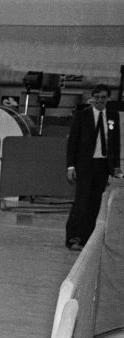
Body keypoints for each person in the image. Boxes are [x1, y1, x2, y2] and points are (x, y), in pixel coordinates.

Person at [64, 84, 122, 250]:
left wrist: (115, 166)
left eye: (103, 98)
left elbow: (115, 143)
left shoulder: (112, 117)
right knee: (81, 201)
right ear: (92, 98)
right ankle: (72, 237)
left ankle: (86, 238)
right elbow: (73, 142)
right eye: (97, 98)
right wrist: (70, 166)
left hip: (103, 166)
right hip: (85, 165)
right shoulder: (82, 116)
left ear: (108, 98)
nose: (100, 101)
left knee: (95, 203)